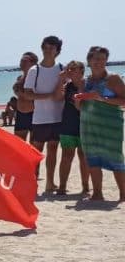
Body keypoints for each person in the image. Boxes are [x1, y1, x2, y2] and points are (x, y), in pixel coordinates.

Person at [78, 46, 125, 202]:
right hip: (88, 125)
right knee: (92, 158)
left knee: (115, 157)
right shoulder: (84, 81)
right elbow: (80, 107)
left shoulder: (113, 78)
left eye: (103, 59)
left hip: (110, 126)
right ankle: (97, 193)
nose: (100, 62)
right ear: (89, 60)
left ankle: (123, 194)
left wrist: (102, 99)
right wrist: (78, 102)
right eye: (96, 59)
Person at [23, 36, 65, 193]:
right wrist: (49, 96)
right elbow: (27, 94)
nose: (48, 51)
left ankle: (50, 183)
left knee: (53, 151)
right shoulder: (35, 70)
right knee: (36, 153)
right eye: (45, 47)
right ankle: (32, 183)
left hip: (58, 117)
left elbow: (66, 91)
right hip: (40, 118)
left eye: (52, 48)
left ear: (57, 51)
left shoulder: (62, 68)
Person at [55, 60, 90, 196]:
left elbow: (82, 106)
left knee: (84, 156)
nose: (70, 71)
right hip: (68, 124)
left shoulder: (88, 85)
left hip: (85, 125)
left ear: (81, 71)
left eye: (73, 69)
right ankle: (62, 186)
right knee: (66, 156)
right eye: (69, 68)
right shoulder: (67, 85)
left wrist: (80, 85)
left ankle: (86, 187)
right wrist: (60, 80)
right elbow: (58, 97)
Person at [12, 52, 39, 141]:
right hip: (20, 114)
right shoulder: (20, 78)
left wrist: (22, 93)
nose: (21, 63)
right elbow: (18, 93)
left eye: (25, 61)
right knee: (19, 144)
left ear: (33, 63)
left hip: (34, 113)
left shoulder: (37, 78)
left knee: (34, 145)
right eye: (21, 61)